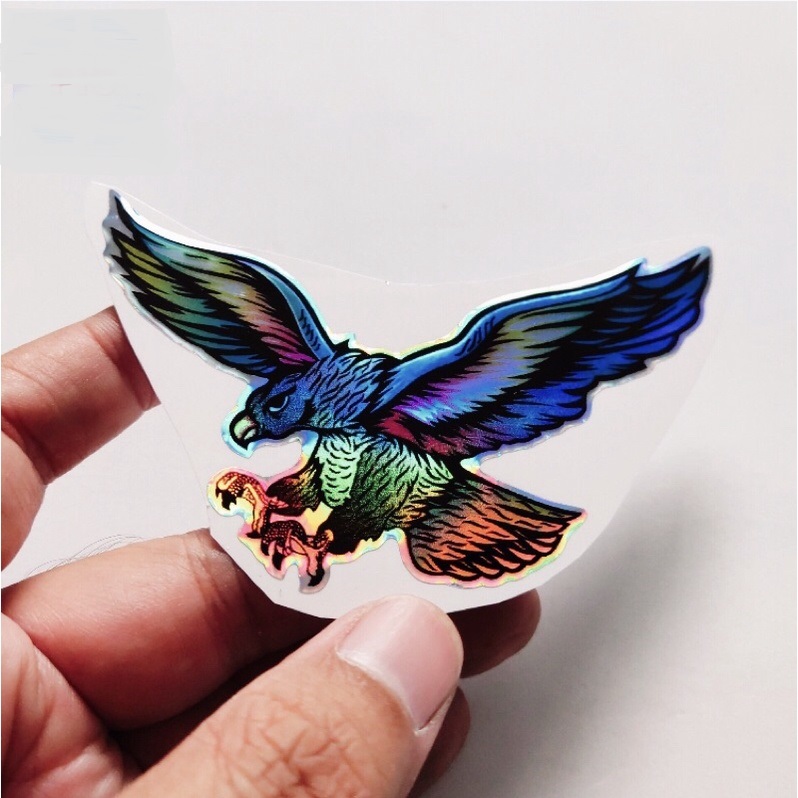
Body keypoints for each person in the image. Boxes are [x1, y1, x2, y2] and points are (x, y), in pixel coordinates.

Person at [1, 308, 542, 797]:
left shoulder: (404, 400)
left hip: (433, 506)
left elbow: (360, 497)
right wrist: (265, 499)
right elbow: (320, 483)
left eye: (272, 408)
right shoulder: (330, 426)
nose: (250, 427)